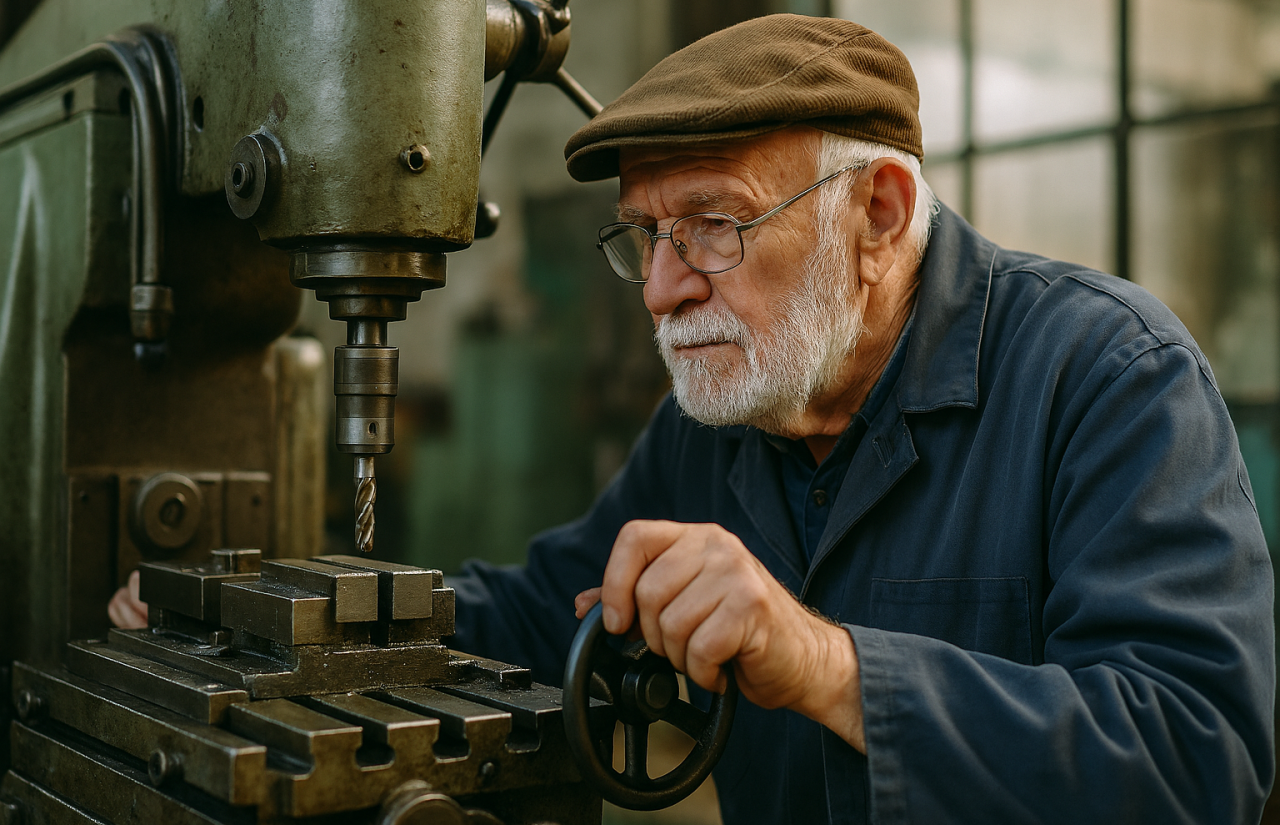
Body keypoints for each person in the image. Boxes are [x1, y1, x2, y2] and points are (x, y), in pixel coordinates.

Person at [111, 14, 1274, 824]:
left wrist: (821, 662)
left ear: (876, 212)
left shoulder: (1105, 377)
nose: (664, 287)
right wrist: (282, 627)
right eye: (646, 236)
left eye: (711, 224)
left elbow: (1192, 764)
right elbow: (546, 611)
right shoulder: (731, 417)